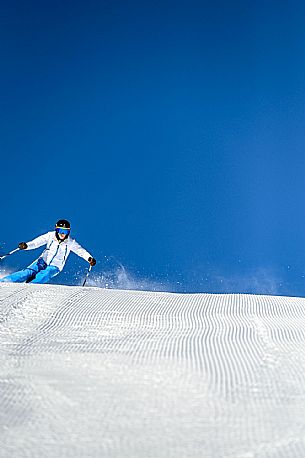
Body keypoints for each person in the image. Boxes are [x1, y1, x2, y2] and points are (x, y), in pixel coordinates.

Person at [0, 219, 96, 284]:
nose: (63, 234)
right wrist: (26, 246)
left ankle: (30, 285)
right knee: (27, 273)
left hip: (56, 266)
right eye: (61, 231)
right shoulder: (50, 236)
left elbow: (81, 251)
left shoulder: (70, 242)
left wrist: (89, 258)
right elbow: (37, 242)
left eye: (65, 232)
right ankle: (4, 282)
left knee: (45, 274)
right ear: (56, 230)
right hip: (42, 261)